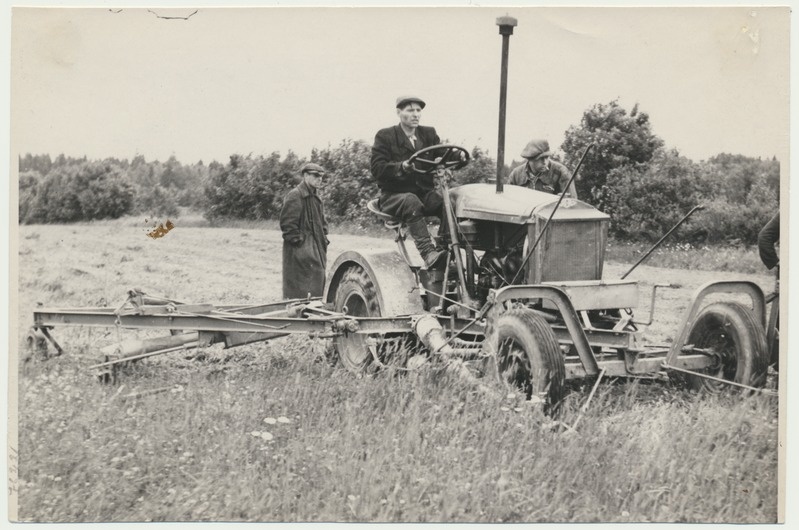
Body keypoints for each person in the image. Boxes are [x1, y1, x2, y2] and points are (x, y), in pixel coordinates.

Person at [370, 95, 447, 269]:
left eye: (418, 110)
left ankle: (445, 251)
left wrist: (457, 157)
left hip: (423, 195)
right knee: (411, 200)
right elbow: (377, 169)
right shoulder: (385, 136)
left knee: (448, 203)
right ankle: (428, 253)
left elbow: (440, 154)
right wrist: (401, 167)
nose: (416, 115)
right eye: (410, 110)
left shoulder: (428, 134)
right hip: (393, 197)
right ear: (399, 112)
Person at [279, 162, 330, 299]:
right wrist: (301, 244)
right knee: (299, 294)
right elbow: (288, 226)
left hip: (316, 251)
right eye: (315, 176)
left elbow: (322, 223)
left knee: (317, 291)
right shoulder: (295, 195)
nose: (319, 179)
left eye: (321, 176)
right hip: (299, 254)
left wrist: (324, 237)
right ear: (305, 175)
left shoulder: (316, 198)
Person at [507, 139, 577, 198]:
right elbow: (508, 201)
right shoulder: (516, 175)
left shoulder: (561, 172)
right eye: (541, 159)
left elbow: (572, 204)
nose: (545, 162)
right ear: (530, 159)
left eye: (547, 157)